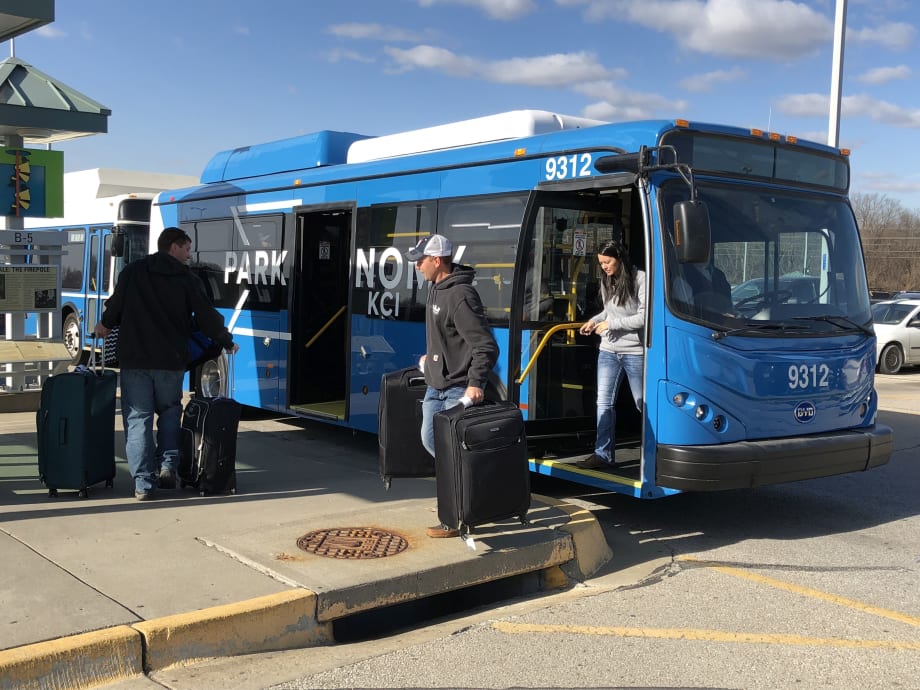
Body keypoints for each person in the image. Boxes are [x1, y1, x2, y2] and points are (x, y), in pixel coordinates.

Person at [94, 227, 239, 501]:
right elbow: (206, 315)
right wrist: (226, 340)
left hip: (135, 360)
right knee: (170, 413)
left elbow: (115, 307)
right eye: (186, 248)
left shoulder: (133, 272)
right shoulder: (187, 279)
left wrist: (104, 325)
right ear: (173, 246)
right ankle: (168, 466)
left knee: (138, 418)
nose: (189, 255)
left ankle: (143, 484)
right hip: (170, 361)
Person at [406, 233, 499, 538]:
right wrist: (431, 359)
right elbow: (446, 338)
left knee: (451, 452)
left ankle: (458, 514)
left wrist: (475, 382)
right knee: (431, 440)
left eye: (421, 260)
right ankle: (472, 495)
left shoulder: (460, 295)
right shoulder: (436, 289)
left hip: (457, 388)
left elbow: (485, 346)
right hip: (437, 385)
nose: (417, 266)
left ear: (437, 260)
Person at [576, 240, 646, 470]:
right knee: (604, 403)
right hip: (608, 350)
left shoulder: (640, 279)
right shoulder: (608, 281)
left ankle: (655, 451)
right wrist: (594, 321)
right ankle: (603, 454)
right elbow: (608, 311)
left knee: (642, 403)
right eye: (601, 263)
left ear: (619, 258)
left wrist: (610, 325)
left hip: (634, 351)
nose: (604, 267)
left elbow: (644, 317)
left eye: (607, 261)